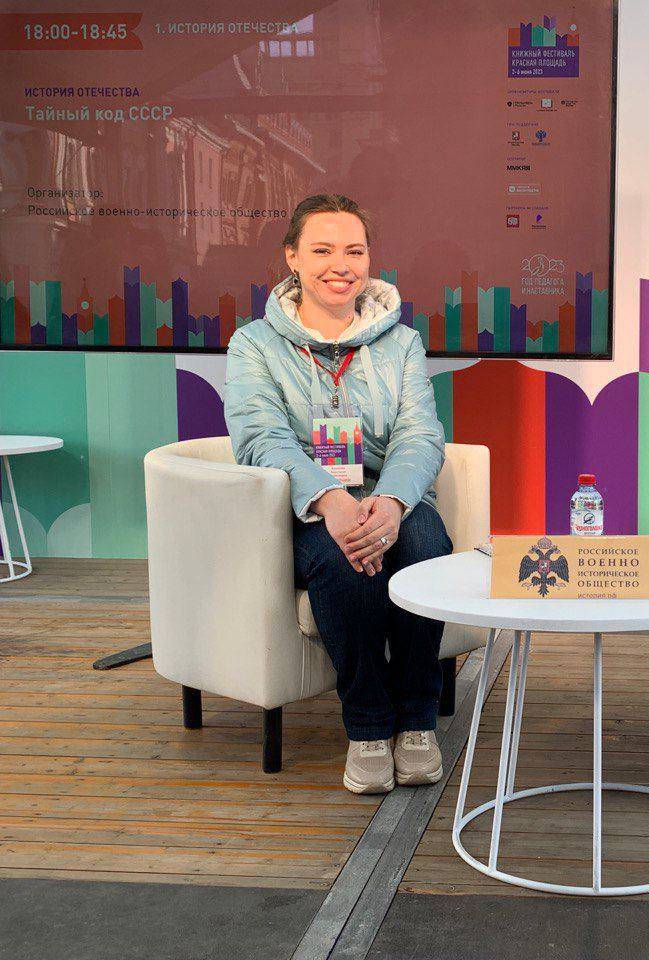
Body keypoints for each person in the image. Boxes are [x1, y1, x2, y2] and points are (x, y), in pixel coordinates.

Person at [224, 193, 451, 795]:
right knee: (343, 560)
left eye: (354, 251)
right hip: (303, 508)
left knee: (425, 544)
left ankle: (418, 720)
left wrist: (393, 502)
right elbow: (261, 437)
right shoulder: (253, 345)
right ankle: (370, 727)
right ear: (292, 258)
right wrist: (330, 500)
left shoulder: (402, 343)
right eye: (322, 250)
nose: (340, 265)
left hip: (391, 495)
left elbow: (419, 433)